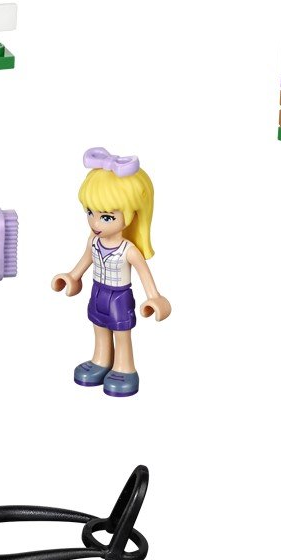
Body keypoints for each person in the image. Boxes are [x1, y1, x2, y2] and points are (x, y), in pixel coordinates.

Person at [51, 147, 171, 396]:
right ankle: (101, 360)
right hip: (98, 292)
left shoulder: (129, 250)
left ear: (131, 215)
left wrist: (154, 297)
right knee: (98, 325)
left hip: (119, 296)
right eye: (90, 213)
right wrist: (71, 277)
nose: (94, 223)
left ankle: (125, 367)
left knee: (121, 331)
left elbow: (144, 274)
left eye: (106, 217)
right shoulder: (93, 241)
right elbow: (85, 261)